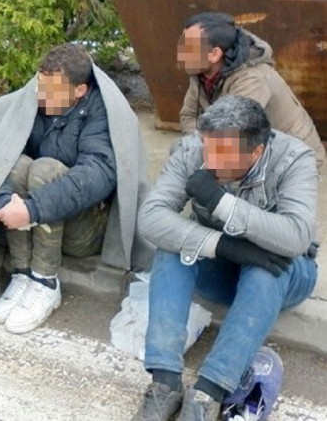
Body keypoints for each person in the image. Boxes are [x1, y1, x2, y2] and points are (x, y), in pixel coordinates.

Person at [133, 95, 318, 421]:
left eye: (222, 153)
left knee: (265, 271)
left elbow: (297, 236)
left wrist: (221, 202)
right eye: (208, 147)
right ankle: (165, 383)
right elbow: (151, 218)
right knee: (172, 248)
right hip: (222, 267)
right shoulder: (192, 150)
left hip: (284, 274)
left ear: (255, 152)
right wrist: (222, 246)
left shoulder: (294, 159)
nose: (210, 160)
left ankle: (210, 391)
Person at [0, 44, 153, 334]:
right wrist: (3, 200)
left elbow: (98, 174)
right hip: (31, 218)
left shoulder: (102, 112)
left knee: (45, 169)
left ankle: (45, 281)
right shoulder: (31, 100)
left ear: (80, 91)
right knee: (15, 165)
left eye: (52, 91)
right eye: (40, 86)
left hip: (84, 230)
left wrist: (32, 208)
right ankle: (23, 273)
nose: (42, 96)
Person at [177, 12, 325, 170]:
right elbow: (189, 115)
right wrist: (197, 146)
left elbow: (234, 136)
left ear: (215, 54)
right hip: (246, 148)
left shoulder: (252, 80)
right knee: (184, 153)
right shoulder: (202, 72)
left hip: (291, 160)